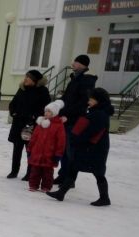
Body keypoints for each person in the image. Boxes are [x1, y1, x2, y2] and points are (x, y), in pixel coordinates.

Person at [46, 88, 113, 206]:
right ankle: (61, 193)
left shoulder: (100, 114)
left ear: (98, 100)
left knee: (98, 173)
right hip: (87, 146)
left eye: (91, 99)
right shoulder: (96, 111)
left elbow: (91, 131)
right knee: (74, 167)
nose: (89, 101)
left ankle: (104, 198)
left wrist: (77, 139)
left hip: (95, 148)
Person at [55, 54, 98, 185]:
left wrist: (68, 113)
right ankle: (63, 175)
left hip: (73, 120)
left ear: (82, 64)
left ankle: (69, 178)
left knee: (70, 150)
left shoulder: (85, 81)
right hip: (65, 118)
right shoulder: (75, 79)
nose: (73, 64)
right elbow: (68, 98)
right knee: (63, 149)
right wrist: (58, 107)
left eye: (76, 62)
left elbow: (82, 103)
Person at [6, 69, 50, 180]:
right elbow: (13, 103)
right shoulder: (22, 89)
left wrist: (34, 116)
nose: (25, 79)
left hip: (31, 124)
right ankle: (14, 171)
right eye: (25, 76)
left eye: (28, 77)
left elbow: (45, 107)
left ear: (34, 80)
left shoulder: (42, 91)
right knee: (17, 148)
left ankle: (30, 173)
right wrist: (13, 111)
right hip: (18, 122)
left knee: (30, 149)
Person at [26, 100, 65, 192]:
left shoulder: (58, 126)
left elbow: (61, 141)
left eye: (49, 112)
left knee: (47, 172)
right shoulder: (40, 124)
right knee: (35, 170)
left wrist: (58, 154)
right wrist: (30, 148)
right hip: (37, 152)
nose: (46, 113)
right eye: (46, 111)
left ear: (54, 113)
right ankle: (33, 185)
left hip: (50, 154)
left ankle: (46, 186)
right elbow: (34, 138)